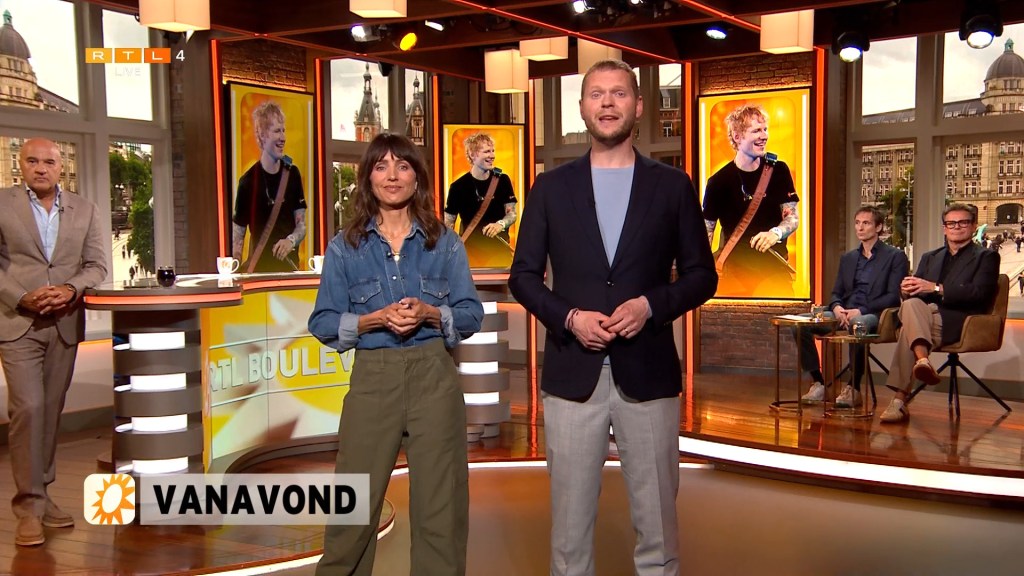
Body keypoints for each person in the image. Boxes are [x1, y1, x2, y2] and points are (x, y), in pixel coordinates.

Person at [509, 60, 717, 576]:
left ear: (638, 106)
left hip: (648, 374)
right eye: (597, 94)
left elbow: (702, 276)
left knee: (658, 529)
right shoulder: (550, 188)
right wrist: (570, 317)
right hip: (571, 375)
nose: (607, 102)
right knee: (568, 533)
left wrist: (650, 306)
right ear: (582, 107)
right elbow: (524, 277)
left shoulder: (672, 186)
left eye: (619, 93)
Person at [308, 133, 483, 575]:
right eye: (381, 166)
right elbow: (323, 322)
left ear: (416, 178)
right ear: (368, 178)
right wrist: (372, 320)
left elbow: (470, 314)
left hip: (434, 377)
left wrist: (430, 313)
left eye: (403, 166)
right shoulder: (345, 247)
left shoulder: (445, 243)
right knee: (352, 509)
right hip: (373, 379)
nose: (392, 176)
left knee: (441, 509)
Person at [0, 138, 107, 546]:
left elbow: (96, 265)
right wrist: (20, 296)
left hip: (63, 322)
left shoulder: (85, 209)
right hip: (18, 323)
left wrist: (69, 289)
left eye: (48, 162)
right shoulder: (3, 204)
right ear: (21, 165)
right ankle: (28, 508)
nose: (40, 168)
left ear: (61, 167)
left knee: (49, 410)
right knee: (28, 408)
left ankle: (43, 497)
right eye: (32, 161)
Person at [879, 203, 999, 424]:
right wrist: (906, 290)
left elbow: (980, 294)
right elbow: (916, 293)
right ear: (944, 228)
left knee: (908, 329)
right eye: (951, 223)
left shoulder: (987, 257)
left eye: (963, 222)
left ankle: (899, 399)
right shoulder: (930, 257)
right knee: (912, 304)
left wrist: (936, 288)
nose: (956, 227)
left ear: (973, 226)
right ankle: (922, 362)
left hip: (961, 318)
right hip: (925, 314)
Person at [797, 206, 909, 407]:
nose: (860, 227)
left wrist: (860, 311)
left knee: (857, 323)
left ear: (878, 227)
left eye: (866, 223)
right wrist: (837, 307)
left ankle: (854, 388)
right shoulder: (848, 258)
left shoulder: (895, 256)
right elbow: (836, 292)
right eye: (857, 223)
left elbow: (893, 297)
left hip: (875, 314)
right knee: (799, 324)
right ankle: (818, 383)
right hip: (844, 312)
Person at [702, 104, 799, 297]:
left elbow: (793, 218)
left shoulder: (779, 170)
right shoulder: (718, 182)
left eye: (765, 129)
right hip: (733, 276)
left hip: (774, 273)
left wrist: (776, 233)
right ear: (737, 136)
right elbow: (707, 233)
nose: (764, 136)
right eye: (756, 131)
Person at [232, 101, 307, 272]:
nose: (283, 137)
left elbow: (302, 226)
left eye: (283, 130)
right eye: (277, 131)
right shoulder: (247, 182)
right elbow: (238, 236)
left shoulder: (293, 174)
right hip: (259, 274)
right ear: (263, 136)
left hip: (289, 271)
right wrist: (234, 271)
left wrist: (291, 241)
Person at [444, 132, 517, 268]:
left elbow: (512, 214)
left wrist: (500, 224)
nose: (492, 155)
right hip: (469, 255)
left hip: (499, 253)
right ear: (472, 155)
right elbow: (448, 224)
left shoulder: (503, 180)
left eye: (493, 151)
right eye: (487, 151)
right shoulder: (458, 187)